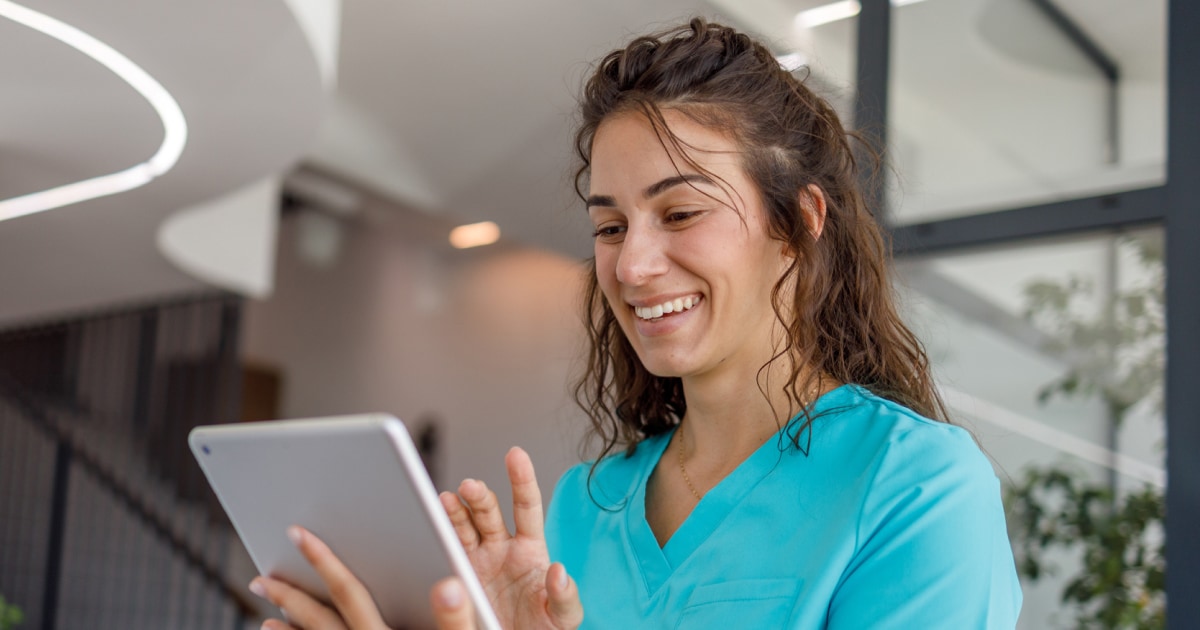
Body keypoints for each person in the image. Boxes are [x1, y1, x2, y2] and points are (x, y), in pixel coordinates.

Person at [246, 17, 1023, 629]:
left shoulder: (916, 487)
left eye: (680, 212)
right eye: (610, 227)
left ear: (797, 224)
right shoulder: (585, 507)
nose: (632, 265)